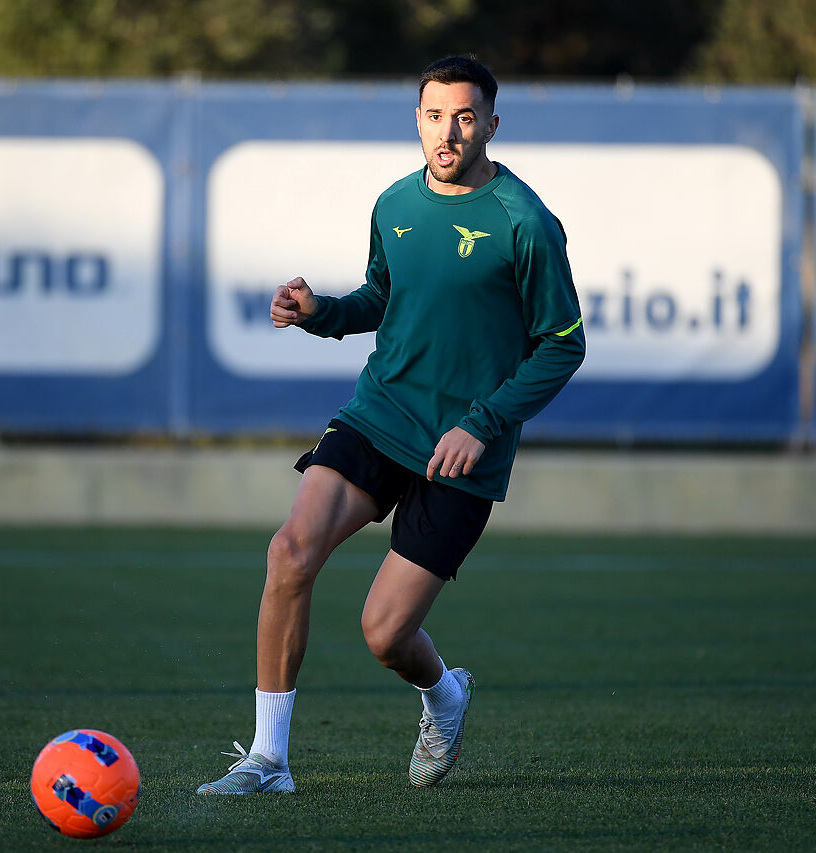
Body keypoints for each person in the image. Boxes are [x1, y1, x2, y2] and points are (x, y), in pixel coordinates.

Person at [197, 55, 585, 795]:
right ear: (418, 120)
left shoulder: (525, 222)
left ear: (491, 125)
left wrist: (484, 423)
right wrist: (321, 315)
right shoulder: (394, 203)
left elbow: (564, 342)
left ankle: (445, 694)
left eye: (466, 117)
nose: (450, 131)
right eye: (436, 115)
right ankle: (267, 760)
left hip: (463, 450)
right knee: (289, 551)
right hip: (381, 414)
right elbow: (382, 297)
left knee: (385, 635)